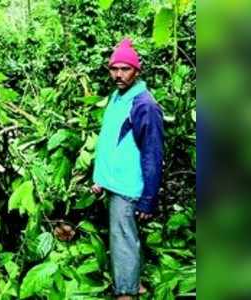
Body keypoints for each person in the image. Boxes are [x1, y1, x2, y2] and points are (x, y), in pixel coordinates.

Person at [91, 38, 164, 300]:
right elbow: (110, 141)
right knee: (127, 237)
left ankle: (126, 294)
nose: (118, 75)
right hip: (114, 181)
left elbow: (153, 154)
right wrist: (99, 178)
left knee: (122, 241)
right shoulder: (117, 97)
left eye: (125, 69)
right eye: (114, 69)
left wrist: (148, 199)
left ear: (137, 71)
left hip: (128, 186)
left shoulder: (144, 105)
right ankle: (136, 284)